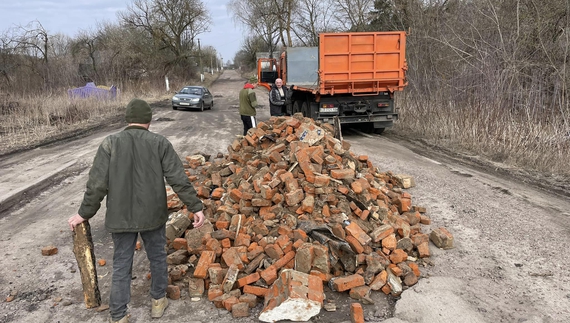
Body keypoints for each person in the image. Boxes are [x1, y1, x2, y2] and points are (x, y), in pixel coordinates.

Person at [67, 98, 205, 323]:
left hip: (120, 218)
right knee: (158, 257)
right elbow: (178, 179)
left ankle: (118, 314)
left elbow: (96, 184)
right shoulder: (160, 143)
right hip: (153, 215)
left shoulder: (110, 143)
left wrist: (84, 213)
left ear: (127, 119)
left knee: (121, 263)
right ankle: (158, 303)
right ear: (149, 120)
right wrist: (195, 206)